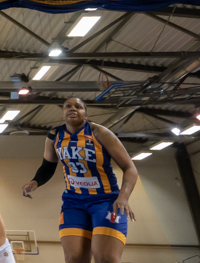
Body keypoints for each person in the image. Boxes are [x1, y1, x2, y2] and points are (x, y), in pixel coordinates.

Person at [22, 97, 138, 263]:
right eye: (68, 106)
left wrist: (123, 197)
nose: (72, 109)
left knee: (106, 257)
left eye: (78, 107)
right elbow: (48, 166)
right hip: (73, 202)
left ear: (86, 114)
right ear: (63, 112)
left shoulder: (100, 133)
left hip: (105, 201)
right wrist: (34, 183)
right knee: (74, 258)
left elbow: (130, 168)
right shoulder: (54, 135)